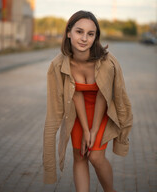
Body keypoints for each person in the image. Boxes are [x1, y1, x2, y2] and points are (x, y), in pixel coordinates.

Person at [43, 10, 133, 192]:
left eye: (90, 34)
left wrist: (92, 130)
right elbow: (74, 95)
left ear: (95, 37)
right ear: (69, 33)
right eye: (79, 32)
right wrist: (84, 129)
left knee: (96, 157)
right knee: (80, 156)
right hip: (77, 114)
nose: (84, 38)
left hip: (102, 112)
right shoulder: (59, 65)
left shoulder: (106, 62)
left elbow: (103, 95)